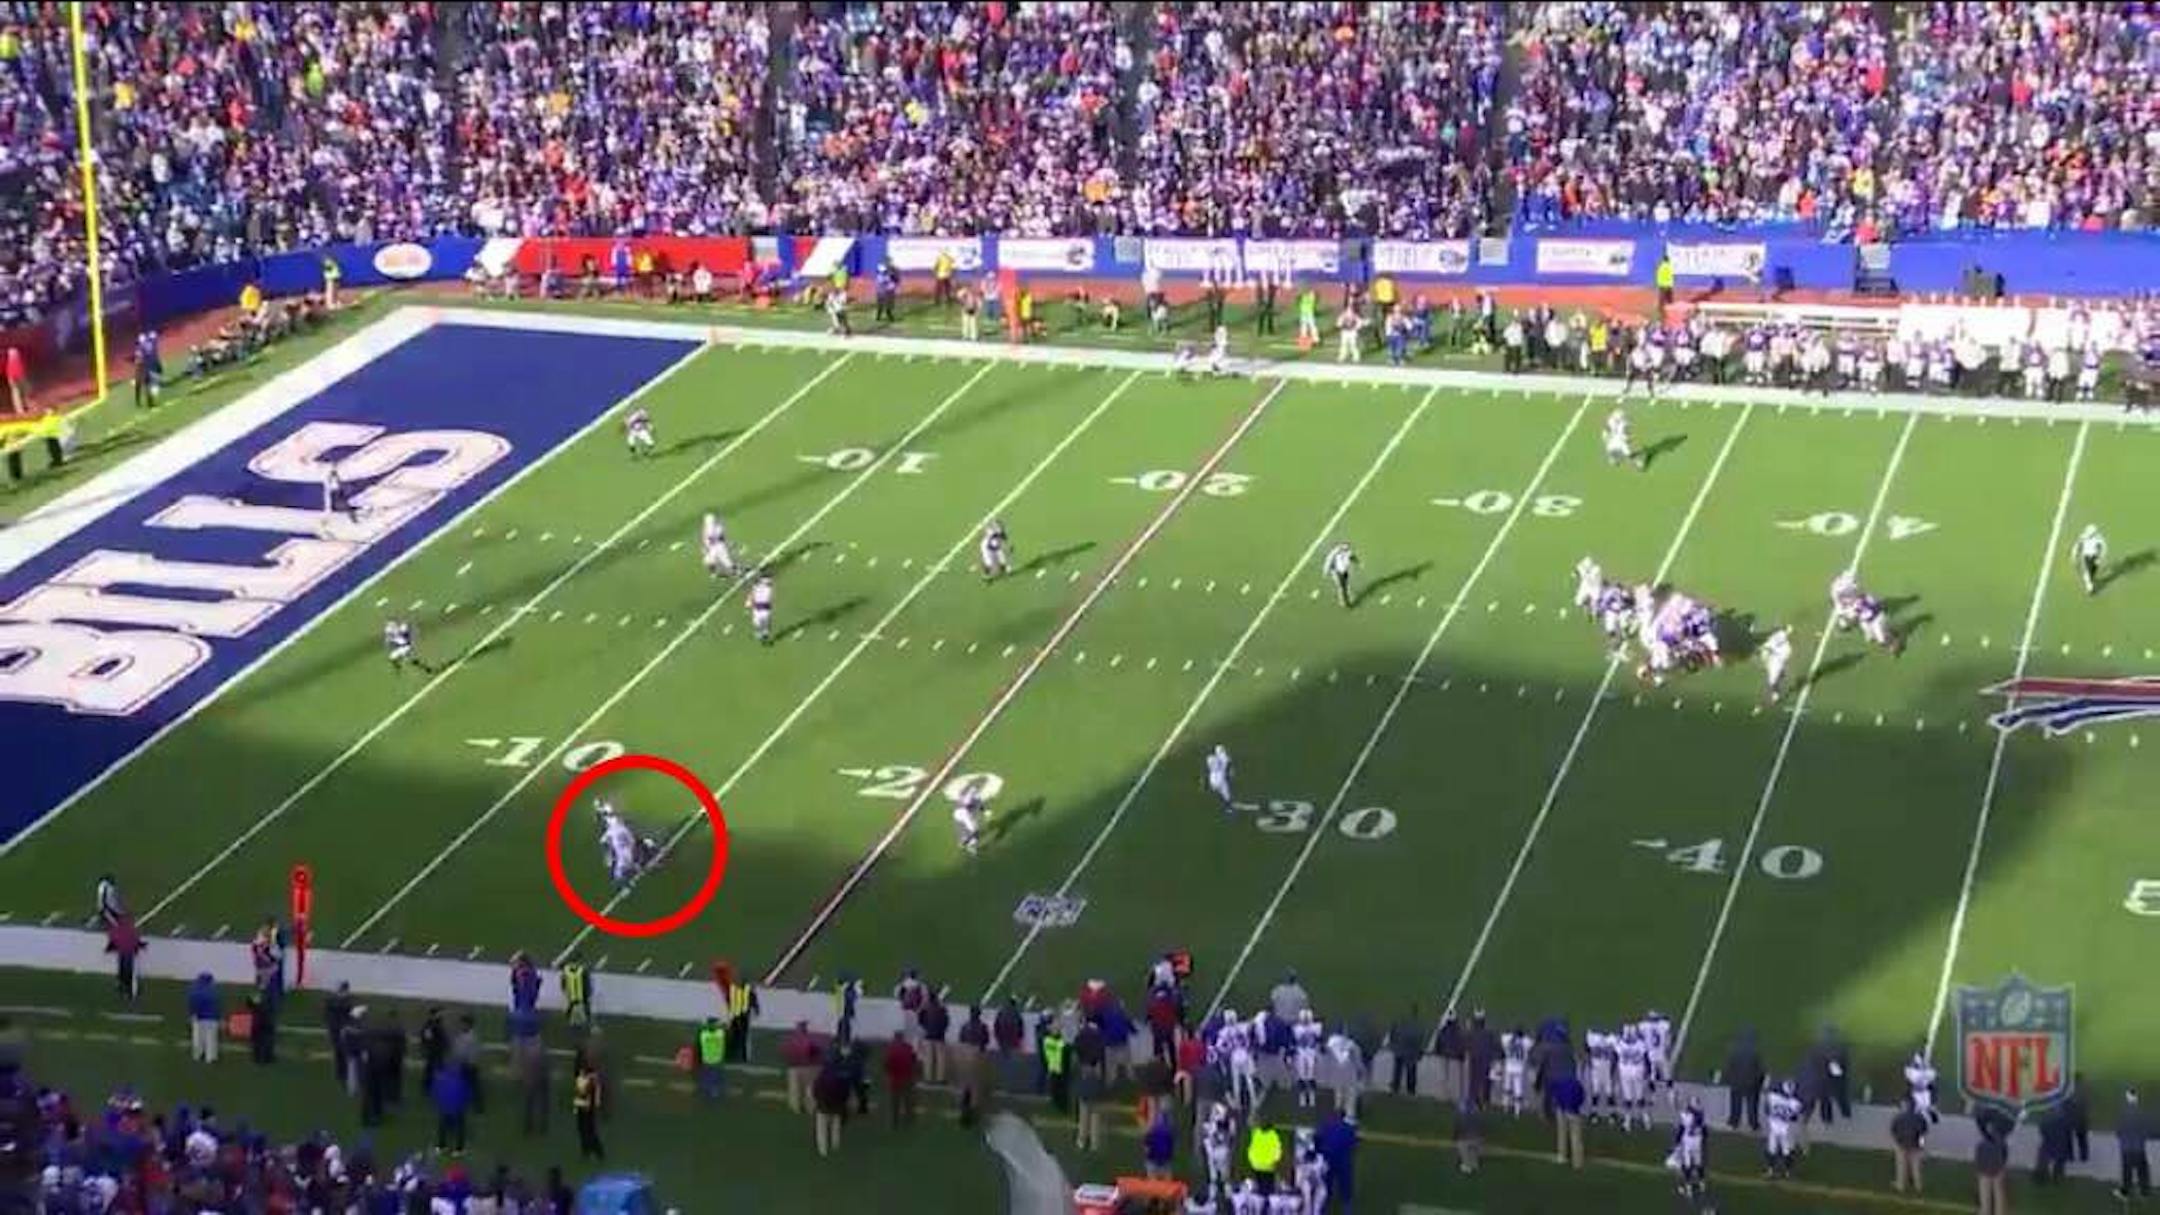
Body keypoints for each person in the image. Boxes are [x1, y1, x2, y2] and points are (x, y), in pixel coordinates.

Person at [1726, 1028, 1764, 1131]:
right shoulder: (1755, 1053)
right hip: (1751, 1084)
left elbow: (1730, 1068)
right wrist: (1758, 1082)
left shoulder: (1735, 1051)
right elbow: (1760, 1070)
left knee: (1735, 1103)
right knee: (1752, 1105)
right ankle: (1753, 1124)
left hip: (1736, 1083)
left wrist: (1730, 1080)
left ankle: (1734, 1122)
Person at [813, 1055, 850, 1156]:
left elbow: (815, 1090)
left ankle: (823, 1150)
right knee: (835, 1127)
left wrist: (817, 1100)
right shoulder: (842, 1077)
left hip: (823, 1106)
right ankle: (835, 1146)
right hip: (837, 1106)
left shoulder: (822, 1076)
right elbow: (846, 1093)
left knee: (822, 1129)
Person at [432, 1057, 472, 1151]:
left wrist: (437, 1102)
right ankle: (459, 1147)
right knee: (459, 1127)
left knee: (443, 1126)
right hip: (457, 1107)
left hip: (445, 1107)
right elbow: (467, 1093)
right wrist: (466, 1102)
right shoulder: (461, 1079)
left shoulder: (440, 1078)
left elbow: (434, 1091)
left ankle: (442, 1145)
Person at [2120, 1088, 2153, 1201]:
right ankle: (2144, 1192)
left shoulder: (2123, 1113)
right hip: (2139, 1147)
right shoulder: (2141, 1112)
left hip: (2126, 1147)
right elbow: (2146, 1130)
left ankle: (2125, 1192)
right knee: (2142, 1170)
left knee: (2127, 1171)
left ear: (2127, 1098)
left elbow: (2119, 1131)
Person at [1890, 1095, 1927, 1193]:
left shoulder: (1899, 1117)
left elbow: (1894, 1130)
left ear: (1905, 1105)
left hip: (1902, 1143)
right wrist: (1921, 1145)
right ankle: (1918, 1185)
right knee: (1916, 1166)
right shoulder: (1919, 1118)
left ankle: (1901, 1184)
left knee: (1901, 1165)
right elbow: (1923, 1132)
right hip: (1915, 1145)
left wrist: (1897, 1140)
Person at [1974, 1113, 2009, 1213]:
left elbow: (1979, 1157)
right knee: (1999, 1195)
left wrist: (1979, 1170)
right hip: (1997, 1170)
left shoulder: (1983, 1143)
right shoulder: (2001, 1141)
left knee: (1985, 1196)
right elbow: (2004, 1155)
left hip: (1985, 1171)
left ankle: (1985, 1211)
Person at [1386, 1005, 1424, 1095]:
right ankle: (1411, 1089)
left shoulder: (1399, 1022)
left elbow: (1393, 1033)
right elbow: (1420, 1039)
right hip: (1411, 1052)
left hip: (1400, 1049)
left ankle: (1396, 1086)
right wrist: (1419, 1052)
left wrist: (1392, 1044)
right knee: (1411, 1071)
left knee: (1398, 1069)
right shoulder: (1418, 1025)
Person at [884, 1034, 919, 1126]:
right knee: (908, 1101)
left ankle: (894, 1122)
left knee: (895, 1103)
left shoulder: (891, 1049)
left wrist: (888, 1075)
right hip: (907, 1078)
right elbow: (914, 1061)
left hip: (895, 1079)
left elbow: (887, 1064)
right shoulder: (909, 1048)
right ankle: (908, 1121)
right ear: (903, 1038)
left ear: (895, 1038)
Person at [574, 1061, 604, 1160]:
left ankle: (596, 1151)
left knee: (588, 1130)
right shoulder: (586, 1077)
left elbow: (587, 1093)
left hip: (587, 1108)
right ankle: (587, 1151)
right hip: (584, 1106)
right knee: (584, 1130)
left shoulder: (590, 1078)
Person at [186, 973, 219, 1062]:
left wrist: (191, 1015)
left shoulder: (194, 991)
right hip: (211, 1018)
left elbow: (192, 1004)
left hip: (198, 1018)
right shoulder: (214, 992)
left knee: (197, 1039)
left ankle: (197, 1056)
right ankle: (210, 1057)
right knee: (211, 1039)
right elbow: (217, 1006)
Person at [695, 1017, 727, 1101]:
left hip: (706, 1059)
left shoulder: (704, 1035)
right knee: (716, 1077)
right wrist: (719, 1024)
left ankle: (704, 1089)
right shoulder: (720, 1034)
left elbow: (701, 1028)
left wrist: (705, 1025)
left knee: (706, 1076)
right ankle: (714, 1092)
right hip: (717, 1060)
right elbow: (724, 1026)